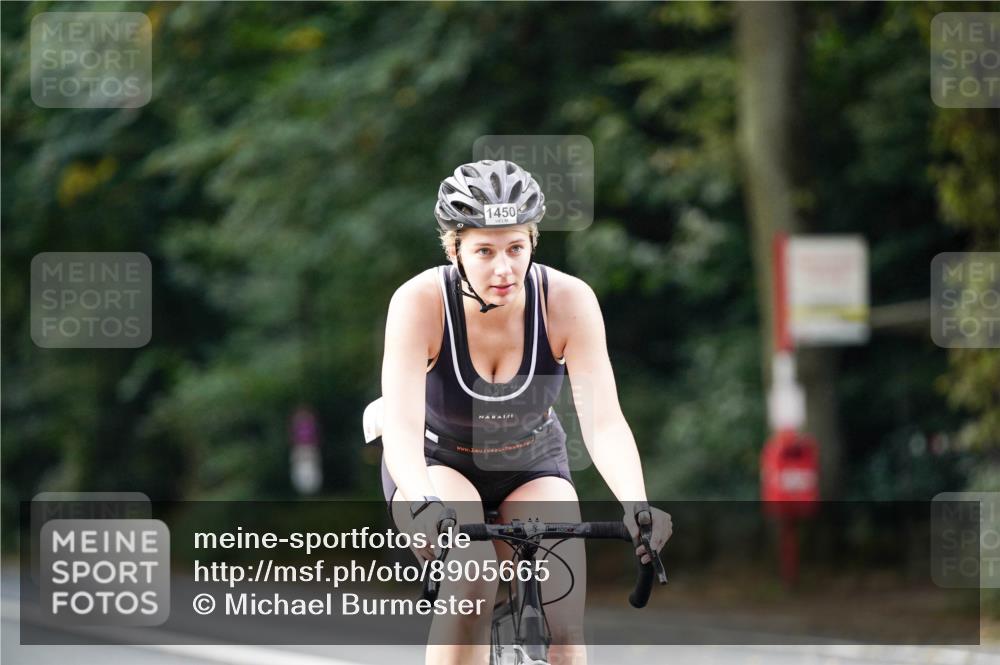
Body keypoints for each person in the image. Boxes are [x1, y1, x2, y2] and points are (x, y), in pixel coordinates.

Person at [379, 159, 672, 665]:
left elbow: (603, 423)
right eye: (484, 251)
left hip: (530, 460)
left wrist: (636, 504)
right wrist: (423, 503)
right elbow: (401, 432)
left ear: (533, 242)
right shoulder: (419, 302)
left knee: (564, 631)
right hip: (435, 463)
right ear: (454, 250)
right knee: (471, 583)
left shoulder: (567, 301)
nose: (503, 269)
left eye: (516, 248)